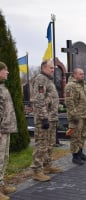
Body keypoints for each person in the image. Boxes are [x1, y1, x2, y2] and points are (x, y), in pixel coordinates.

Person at [31, 60, 62, 182]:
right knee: (41, 145)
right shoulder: (40, 79)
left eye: (53, 68)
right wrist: (44, 118)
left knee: (49, 144)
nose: (53, 70)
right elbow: (39, 100)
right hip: (43, 119)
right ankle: (36, 171)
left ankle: (47, 166)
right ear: (44, 68)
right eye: (50, 68)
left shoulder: (48, 80)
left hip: (51, 117)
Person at [65, 68, 86, 165]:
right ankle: (75, 156)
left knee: (82, 135)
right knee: (75, 136)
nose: (82, 75)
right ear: (74, 74)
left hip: (84, 115)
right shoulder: (70, 85)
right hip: (77, 116)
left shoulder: (82, 85)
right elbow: (69, 102)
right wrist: (74, 115)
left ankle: (80, 153)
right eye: (80, 74)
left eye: (83, 73)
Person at [0, 62, 17, 199]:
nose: (7, 72)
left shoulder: (2, 87)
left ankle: (1, 185)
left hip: (5, 128)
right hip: (1, 130)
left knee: (4, 158)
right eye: (5, 70)